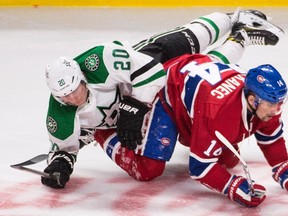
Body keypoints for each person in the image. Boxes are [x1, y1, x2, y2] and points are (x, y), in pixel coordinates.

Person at [42, 8, 286, 207]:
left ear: (82, 76)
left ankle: (234, 20)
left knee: (190, 37)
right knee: (211, 67)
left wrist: (134, 105)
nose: (73, 98)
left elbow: (151, 72)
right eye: (65, 96)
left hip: (147, 72)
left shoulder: (103, 60)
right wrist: (61, 163)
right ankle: (240, 35)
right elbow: (64, 147)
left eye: (76, 89)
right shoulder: (59, 117)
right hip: (169, 92)